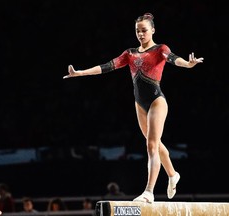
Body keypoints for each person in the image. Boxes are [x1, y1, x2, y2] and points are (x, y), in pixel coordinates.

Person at [63, 12, 204, 203]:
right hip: (140, 104)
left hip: (156, 101)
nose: (140, 34)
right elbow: (108, 66)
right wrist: (81, 73)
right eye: (137, 31)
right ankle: (172, 174)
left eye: (144, 30)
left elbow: (172, 58)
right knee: (155, 143)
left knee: (151, 144)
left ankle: (149, 192)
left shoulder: (160, 49)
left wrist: (187, 64)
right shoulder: (130, 53)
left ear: (153, 30)